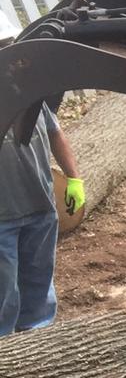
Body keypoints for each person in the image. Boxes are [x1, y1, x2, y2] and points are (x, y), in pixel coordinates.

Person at [0, 106, 82, 335]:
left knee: (39, 282)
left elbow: (55, 133)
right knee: (4, 291)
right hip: (2, 217)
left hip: (41, 207)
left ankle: (38, 339)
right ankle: (5, 351)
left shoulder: (33, 96)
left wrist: (74, 179)